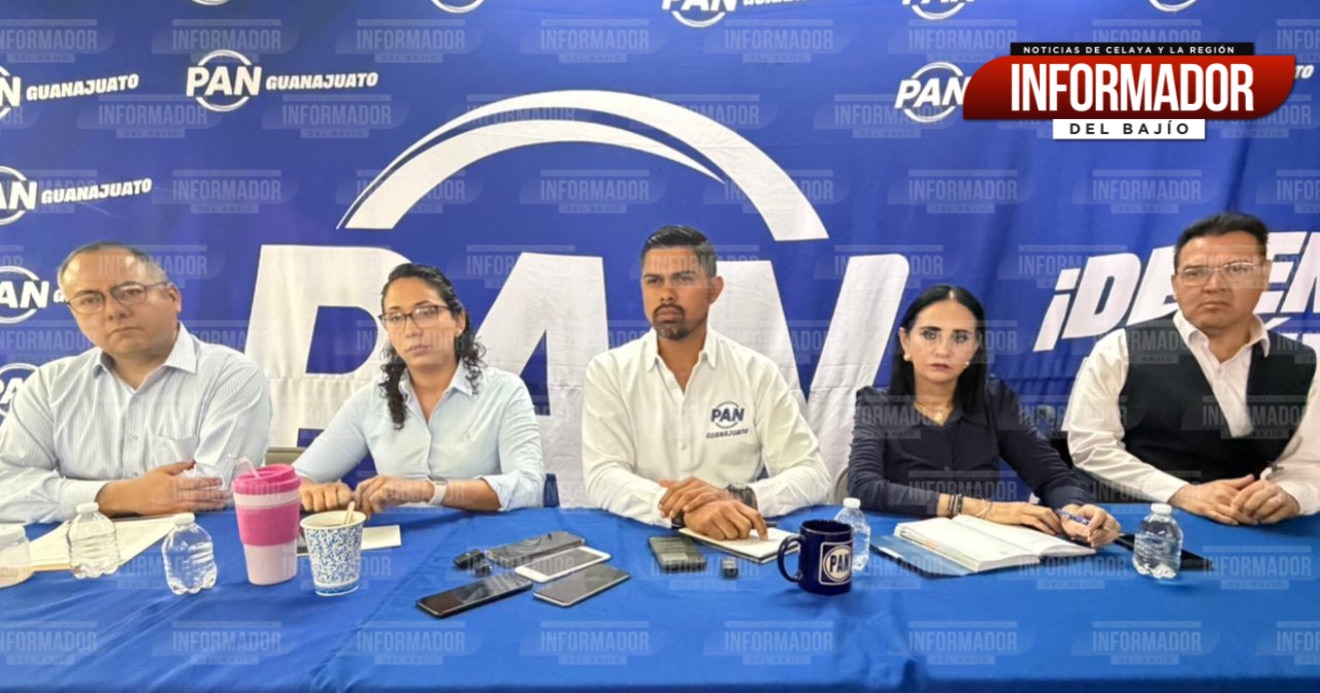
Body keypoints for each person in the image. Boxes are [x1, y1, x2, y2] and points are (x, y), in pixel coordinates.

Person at [1066, 212, 1320, 525]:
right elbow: (1092, 447)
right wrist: (1182, 493)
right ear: (1175, 284)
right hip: (1133, 525)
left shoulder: (1302, 364)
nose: (1214, 285)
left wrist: (1291, 495)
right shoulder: (1120, 349)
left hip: (1249, 528)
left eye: (1236, 269)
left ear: (1265, 275)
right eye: (1196, 272)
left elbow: (1308, 465)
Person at [582, 226, 830, 540]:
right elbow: (602, 476)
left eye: (683, 279)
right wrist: (685, 510)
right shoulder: (609, 371)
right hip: (642, 540)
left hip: (736, 539)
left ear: (714, 290)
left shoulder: (756, 373)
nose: (666, 294)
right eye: (654, 281)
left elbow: (813, 475)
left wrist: (734, 497)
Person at [0, 242, 271, 524]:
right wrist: (117, 496)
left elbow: (216, 490)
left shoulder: (230, 376)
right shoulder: (50, 385)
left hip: (194, 543)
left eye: (130, 292)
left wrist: (74, 499)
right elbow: (6, 486)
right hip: (82, 547)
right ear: (74, 313)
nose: (113, 311)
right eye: (89, 300)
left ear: (173, 297)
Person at [848, 284, 1119, 547]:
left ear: (975, 346)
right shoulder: (876, 404)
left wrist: (1074, 512)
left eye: (960, 337)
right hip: (897, 543)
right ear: (905, 341)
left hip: (984, 548)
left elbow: (1053, 477)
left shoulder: (994, 400)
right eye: (930, 334)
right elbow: (865, 486)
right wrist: (980, 509)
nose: (943, 350)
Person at [295, 263, 544, 516]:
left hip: (480, 536)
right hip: (401, 538)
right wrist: (317, 493)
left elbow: (529, 487)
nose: (411, 330)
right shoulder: (371, 400)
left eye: (426, 312)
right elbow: (295, 479)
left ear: (459, 321)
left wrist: (427, 491)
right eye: (395, 318)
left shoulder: (504, 391)